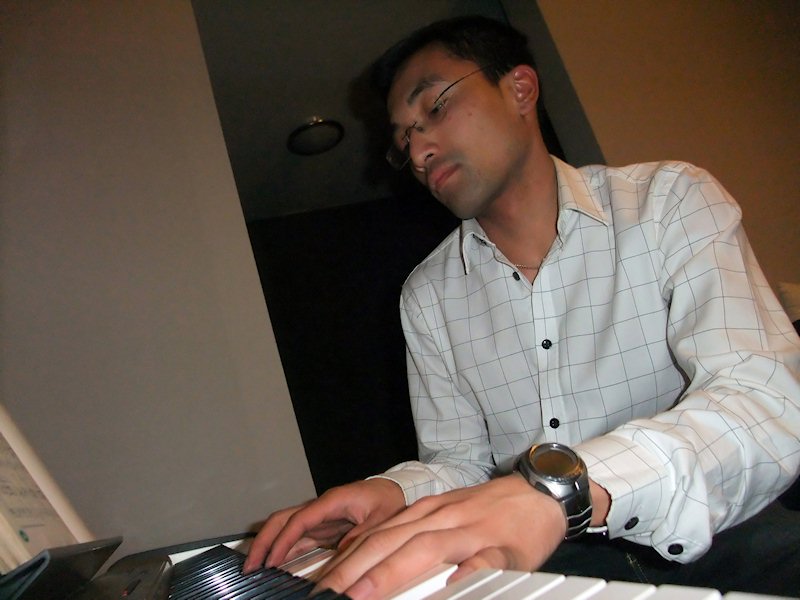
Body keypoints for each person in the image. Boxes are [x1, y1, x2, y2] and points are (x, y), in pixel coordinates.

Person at [244, 15, 800, 599]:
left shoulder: (669, 201)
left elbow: (764, 398)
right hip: (548, 563)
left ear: (520, 89)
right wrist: (394, 493)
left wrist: (557, 493)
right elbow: (461, 462)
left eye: (435, 107)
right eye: (404, 139)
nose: (420, 150)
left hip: (725, 533)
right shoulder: (427, 295)